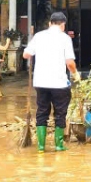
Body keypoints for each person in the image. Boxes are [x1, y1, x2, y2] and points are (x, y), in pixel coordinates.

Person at [23, 11, 80, 153]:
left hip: (40, 83)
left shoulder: (38, 36)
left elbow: (26, 54)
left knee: (42, 112)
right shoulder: (65, 38)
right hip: (59, 83)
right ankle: (58, 145)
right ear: (63, 25)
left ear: (50, 23)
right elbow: (70, 63)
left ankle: (41, 146)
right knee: (60, 113)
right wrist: (75, 74)